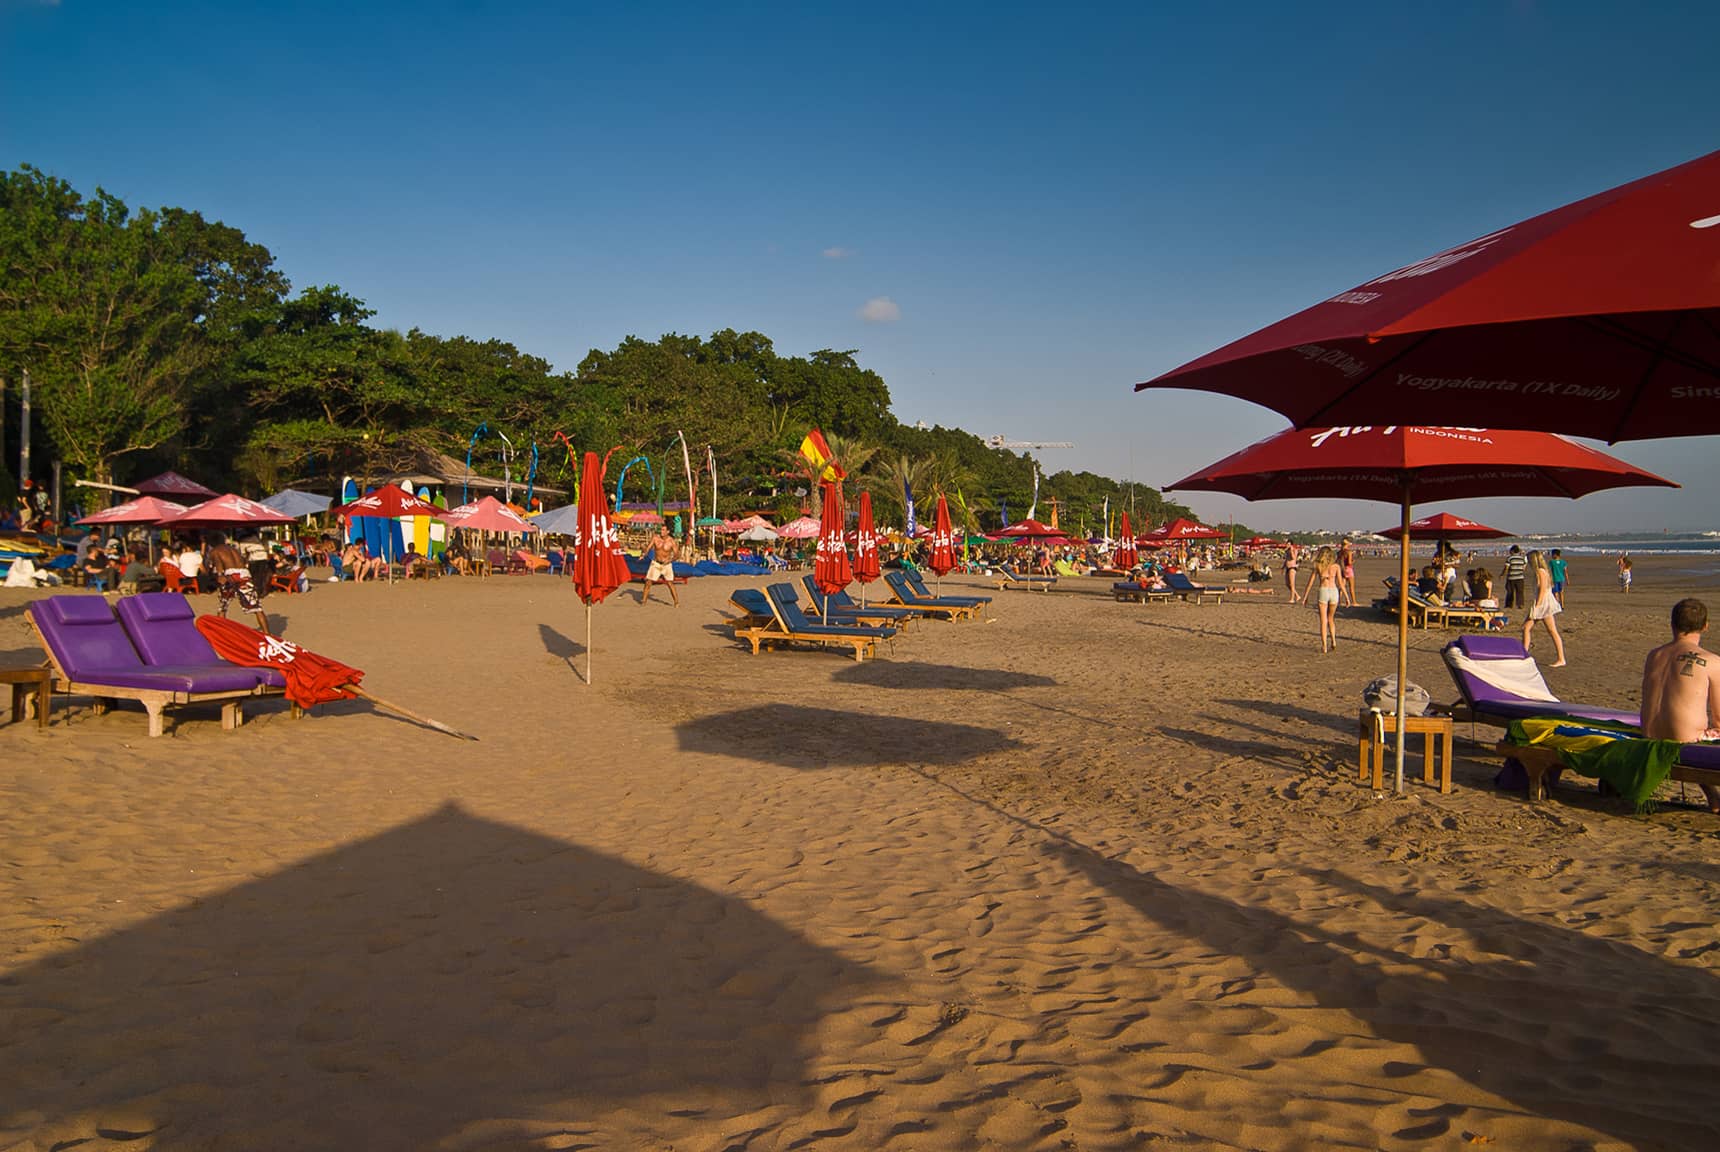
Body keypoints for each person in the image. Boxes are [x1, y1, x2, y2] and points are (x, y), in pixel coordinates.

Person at [1640, 598, 1720, 813]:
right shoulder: (1711, 661)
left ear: (1672, 624)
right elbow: (1719, 719)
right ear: (1705, 626)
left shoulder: (1654, 655)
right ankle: (1713, 793)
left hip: (1649, 733)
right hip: (1685, 739)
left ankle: (1711, 792)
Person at [207, 532, 271, 633]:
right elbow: (243, 561)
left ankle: (221, 633)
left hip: (231, 575)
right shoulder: (233, 549)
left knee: (223, 605)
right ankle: (268, 634)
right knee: (256, 607)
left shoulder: (215, 551)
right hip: (244, 574)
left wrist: (219, 576)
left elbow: (219, 566)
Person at [1522, 549, 1566, 667]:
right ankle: (1524, 654)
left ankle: (1561, 658)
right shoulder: (1540, 571)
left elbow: (1542, 590)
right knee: (1526, 627)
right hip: (1541, 603)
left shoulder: (1541, 572)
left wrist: (1537, 606)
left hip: (1544, 604)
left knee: (1552, 631)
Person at [1301, 545, 1342, 653]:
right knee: (1331, 619)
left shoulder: (1318, 566)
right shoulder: (1336, 566)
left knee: (1323, 621)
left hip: (1323, 591)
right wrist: (1347, 597)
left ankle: (1324, 646)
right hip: (1333, 591)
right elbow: (1341, 583)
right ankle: (1333, 641)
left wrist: (1305, 597)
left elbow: (1310, 583)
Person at [641, 526, 681, 607]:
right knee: (648, 582)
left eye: (663, 530)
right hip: (656, 563)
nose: (661, 531)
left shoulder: (671, 541)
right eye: (661, 530)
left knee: (670, 583)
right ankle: (643, 601)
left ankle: (676, 602)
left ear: (668, 531)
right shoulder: (655, 538)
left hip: (666, 564)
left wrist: (670, 560)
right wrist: (643, 554)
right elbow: (648, 548)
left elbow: (677, 555)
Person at [1337, 538, 1356, 607]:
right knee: (1351, 587)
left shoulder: (1339, 552)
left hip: (1342, 569)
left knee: (1342, 586)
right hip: (1348, 569)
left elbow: (1338, 561)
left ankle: (1339, 601)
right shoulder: (1349, 552)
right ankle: (1354, 601)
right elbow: (1349, 562)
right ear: (1347, 544)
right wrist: (1353, 561)